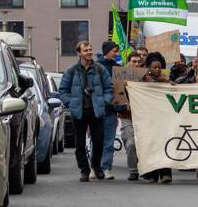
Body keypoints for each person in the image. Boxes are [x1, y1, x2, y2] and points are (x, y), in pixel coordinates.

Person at [58, 41, 113, 182]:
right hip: (79, 112)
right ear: (79, 53)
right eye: (86, 50)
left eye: (90, 49)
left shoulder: (100, 69)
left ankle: (96, 167)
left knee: (99, 142)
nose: (89, 52)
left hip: (96, 111)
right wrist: (71, 103)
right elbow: (63, 91)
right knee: (80, 144)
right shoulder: (71, 70)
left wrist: (104, 102)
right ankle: (84, 170)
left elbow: (109, 88)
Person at [141, 52, 173, 184]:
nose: (157, 69)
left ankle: (166, 174)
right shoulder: (143, 80)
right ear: (149, 67)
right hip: (149, 118)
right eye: (154, 67)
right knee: (151, 145)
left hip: (163, 118)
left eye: (159, 67)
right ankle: (152, 174)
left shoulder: (166, 80)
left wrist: (167, 83)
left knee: (164, 145)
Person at [96, 40, 120, 180]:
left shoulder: (117, 68)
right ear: (107, 52)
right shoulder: (96, 67)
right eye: (114, 51)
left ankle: (106, 168)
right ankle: (95, 167)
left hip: (111, 109)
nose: (116, 54)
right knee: (96, 140)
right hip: (98, 109)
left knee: (109, 141)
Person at [119, 52, 142, 181]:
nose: (136, 64)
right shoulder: (120, 76)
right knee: (131, 143)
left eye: (138, 62)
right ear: (128, 62)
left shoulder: (145, 77)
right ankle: (133, 170)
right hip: (127, 115)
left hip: (143, 116)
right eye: (133, 61)